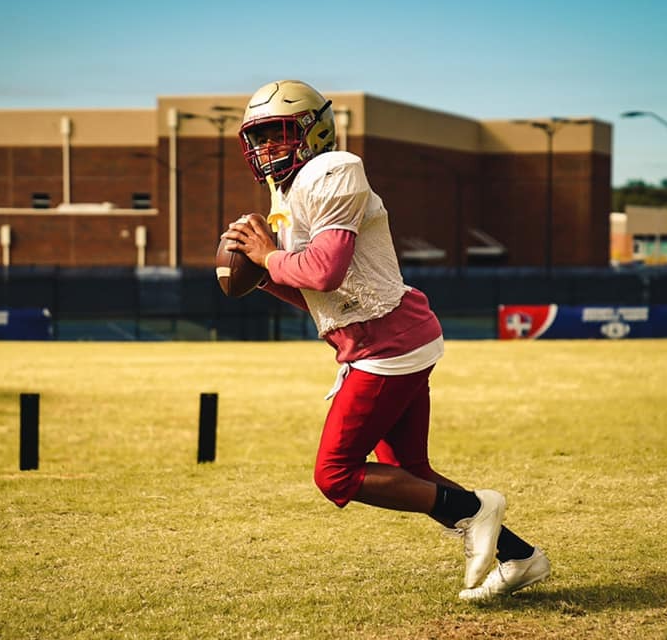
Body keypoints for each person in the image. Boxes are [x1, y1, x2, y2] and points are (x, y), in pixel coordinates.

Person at [220, 79, 550, 601]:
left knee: (335, 475)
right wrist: (264, 277)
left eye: (278, 134)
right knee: (408, 471)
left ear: (314, 130)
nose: (266, 148)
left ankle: (475, 510)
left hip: (386, 346)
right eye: (257, 138)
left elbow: (325, 271)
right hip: (380, 340)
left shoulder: (335, 170)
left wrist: (267, 257)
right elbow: (317, 294)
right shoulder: (287, 189)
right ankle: (521, 557)